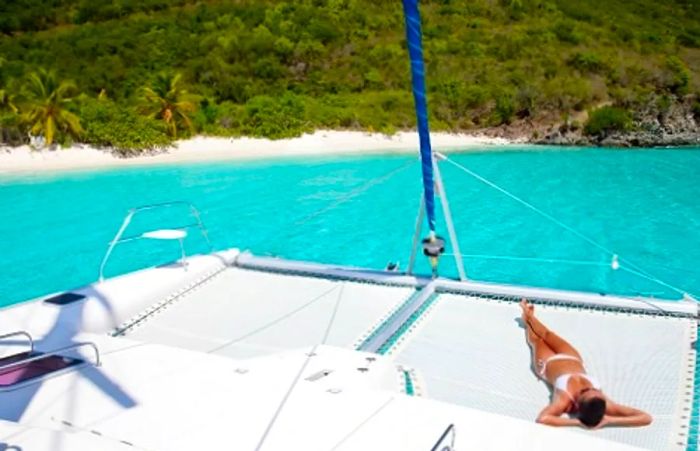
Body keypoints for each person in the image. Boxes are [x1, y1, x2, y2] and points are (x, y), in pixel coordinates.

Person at [520, 299, 652, 429]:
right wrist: (609, 420)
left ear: (577, 405)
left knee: (537, 340)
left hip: (547, 363)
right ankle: (529, 316)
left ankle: (527, 318)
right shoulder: (604, 404)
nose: (591, 388)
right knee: (547, 334)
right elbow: (646, 417)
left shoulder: (564, 400)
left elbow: (543, 419)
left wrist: (578, 422)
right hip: (572, 357)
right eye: (595, 390)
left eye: (585, 391)